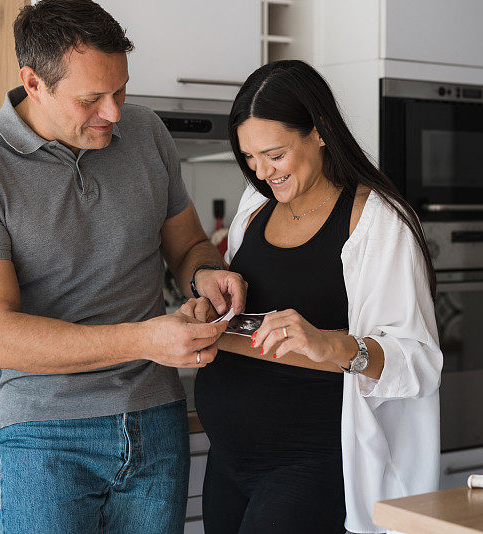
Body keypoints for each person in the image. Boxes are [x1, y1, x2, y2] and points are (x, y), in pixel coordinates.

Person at [0, 1, 245, 532]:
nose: (114, 112)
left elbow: (189, 243)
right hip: (45, 435)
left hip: (155, 422)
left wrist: (205, 274)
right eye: (91, 98)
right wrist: (146, 340)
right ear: (33, 82)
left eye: (120, 90)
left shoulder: (146, 133)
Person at [188, 60, 443, 534]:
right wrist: (209, 313)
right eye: (249, 158)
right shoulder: (254, 207)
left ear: (321, 130)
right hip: (230, 465)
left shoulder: (376, 221)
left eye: (275, 155)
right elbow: (253, 325)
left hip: (309, 466)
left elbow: (420, 361)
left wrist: (330, 344)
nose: (261, 172)